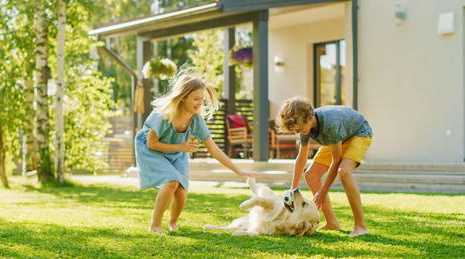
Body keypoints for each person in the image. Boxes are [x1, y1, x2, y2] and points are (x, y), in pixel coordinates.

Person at [135, 69, 259, 233]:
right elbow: (152, 144)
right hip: (150, 149)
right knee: (171, 181)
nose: (199, 103)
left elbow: (213, 149)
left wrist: (238, 171)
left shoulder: (195, 120)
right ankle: (155, 225)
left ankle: (173, 223)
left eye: (201, 99)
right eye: (195, 99)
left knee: (181, 190)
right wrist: (181, 147)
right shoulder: (164, 115)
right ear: (183, 97)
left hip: (176, 151)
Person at [277, 96, 373, 237]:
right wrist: (293, 189)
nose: (300, 132)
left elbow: (336, 161)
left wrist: (322, 192)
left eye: (300, 128)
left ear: (310, 118)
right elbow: (302, 157)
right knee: (311, 175)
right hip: (337, 138)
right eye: (296, 130)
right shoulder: (304, 127)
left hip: (359, 133)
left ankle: (361, 226)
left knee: (344, 172)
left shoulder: (330, 124)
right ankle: (332, 223)